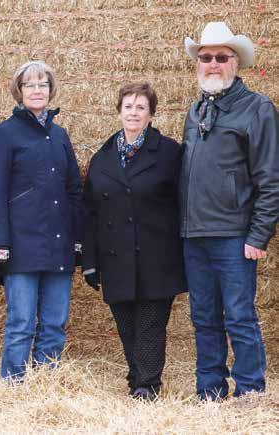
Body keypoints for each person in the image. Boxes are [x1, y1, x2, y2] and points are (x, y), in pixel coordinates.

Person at [180, 22, 278, 400]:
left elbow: (271, 178)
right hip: (195, 235)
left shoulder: (257, 108)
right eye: (206, 57)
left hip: (235, 236)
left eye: (221, 57)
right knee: (203, 318)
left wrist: (258, 235)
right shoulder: (195, 111)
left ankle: (250, 390)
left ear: (235, 62)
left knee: (238, 316)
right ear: (198, 63)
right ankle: (210, 391)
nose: (213, 64)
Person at [82, 83, 186, 400]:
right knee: (127, 326)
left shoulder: (169, 153)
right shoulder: (102, 157)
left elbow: (185, 204)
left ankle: (147, 385)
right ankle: (137, 377)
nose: (134, 112)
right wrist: (89, 262)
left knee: (150, 325)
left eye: (141, 107)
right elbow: (89, 213)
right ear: (119, 111)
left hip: (158, 257)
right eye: (128, 106)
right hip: (115, 259)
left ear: (151, 113)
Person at [0, 61, 82, 380]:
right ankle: (14, 385)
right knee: (21, 323)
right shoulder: (4, 134)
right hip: (22, 246)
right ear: (19, 91)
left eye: (43, 84)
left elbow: (74, 190)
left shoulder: (60, 135)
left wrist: (77, 239)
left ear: (51, 90)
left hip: (58, 245)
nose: (37, 90)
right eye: (30, 85)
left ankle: (46, 383)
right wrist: (0, 245)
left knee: (54, 323)